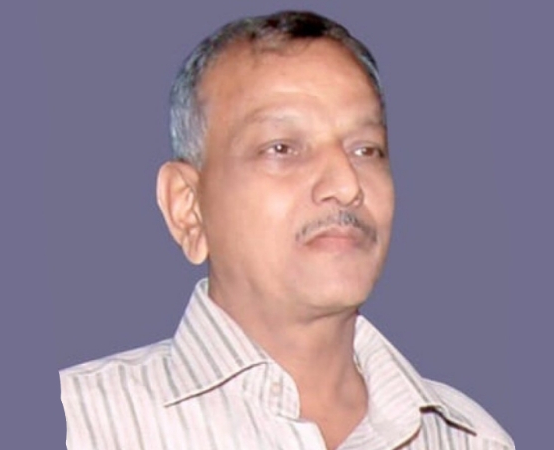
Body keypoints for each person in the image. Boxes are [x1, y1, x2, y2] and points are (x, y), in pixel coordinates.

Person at [59, 10, 514, 450]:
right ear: (188, 208)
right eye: (282, 148)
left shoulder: (471, 440)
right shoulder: (82, 424)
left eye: (366, 150)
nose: (346, 184)